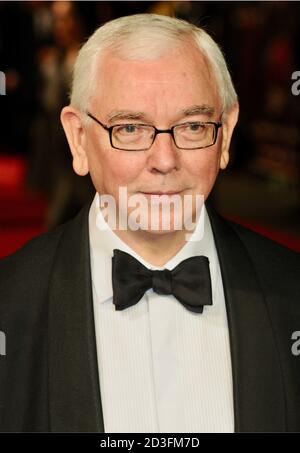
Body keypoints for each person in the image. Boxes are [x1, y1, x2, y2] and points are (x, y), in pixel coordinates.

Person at [0, 14, 299, 433]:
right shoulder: (9, 305)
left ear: (226, 135)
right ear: (79, 139)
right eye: (130, 128)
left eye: (193, 126)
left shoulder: (292, 294)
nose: (164, 160)